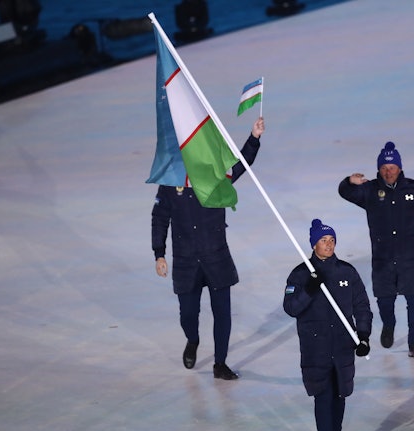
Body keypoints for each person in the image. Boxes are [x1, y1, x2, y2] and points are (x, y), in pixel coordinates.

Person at [151, 117, 265, 380]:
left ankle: (220, 363)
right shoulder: (170, 183)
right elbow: (159, 218)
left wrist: (254, 137)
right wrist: (159, 253)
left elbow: (241, 165)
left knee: (222, 313)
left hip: (216, 257)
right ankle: (192, 339)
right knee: (188, 314)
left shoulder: (216, 175)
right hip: (186, 261)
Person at [338, 141, 414, 358]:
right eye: (384, 168)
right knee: (385, 302)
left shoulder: (413, 188)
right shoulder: (370, 190)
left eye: (392, 168)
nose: (388, 172)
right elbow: (345, 193)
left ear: (399, 168)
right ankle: (389, 325)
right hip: (383, 261)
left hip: (411, 260)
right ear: (379, 170)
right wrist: (349, 182)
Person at [284, 218, 373, 431]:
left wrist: (363, 335)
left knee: (340, 396)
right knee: (323, 398)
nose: (329, 244)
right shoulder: (299, 274)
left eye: (332, 239)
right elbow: (291, 308)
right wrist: (309, 290)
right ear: (314, 244)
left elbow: (362, 305)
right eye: (323, 240)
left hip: (342, 346)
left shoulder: (347, 272)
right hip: (316, 349)